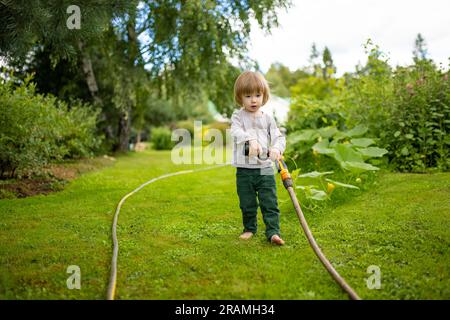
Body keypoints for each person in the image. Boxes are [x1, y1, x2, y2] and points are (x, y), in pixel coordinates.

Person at [230, 71, 286, 245]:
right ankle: (249, 228)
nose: (253, 100)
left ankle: (273, 232)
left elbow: (279, 137)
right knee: (247, 203)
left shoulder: (268, 118)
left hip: (265, 168)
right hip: (244, 169)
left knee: (269, 201)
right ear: (240, 98)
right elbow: (236, 131)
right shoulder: (238, 117)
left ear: (264, 96)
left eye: (257, 95)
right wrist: (250, 139)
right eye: (248, 96)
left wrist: (276, 148)